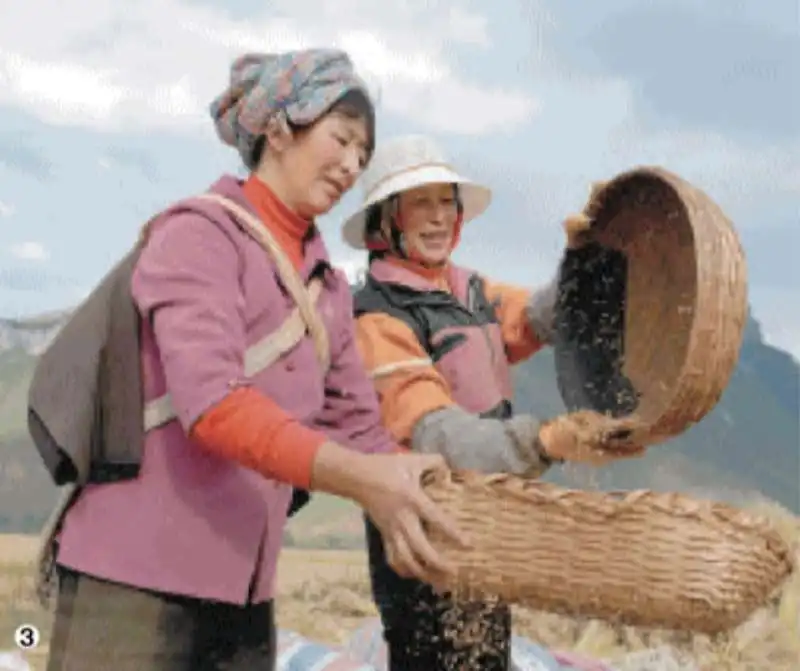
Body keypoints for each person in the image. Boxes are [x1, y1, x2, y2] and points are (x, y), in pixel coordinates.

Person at [42, 52, 464, 671]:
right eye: (340, 138)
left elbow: (359, 429)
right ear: (277, 130)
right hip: (133, 583)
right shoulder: (200, 235)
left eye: (362, 155)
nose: (351, 165)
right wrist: (365, 481)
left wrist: (416, 490)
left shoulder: (328, 286)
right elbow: (214, 407)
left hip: (243, 596)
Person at [342, 134, 646, 671]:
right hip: (420, 538)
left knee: (488, 656)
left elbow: (541, 317)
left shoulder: (470, 290)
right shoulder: (377, 317)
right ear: (387, 220)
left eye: (445, 202)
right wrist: (545, 440)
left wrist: (585, 256)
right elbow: (439, 436)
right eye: (420, 204)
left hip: (485, 528)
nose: (437, 219)